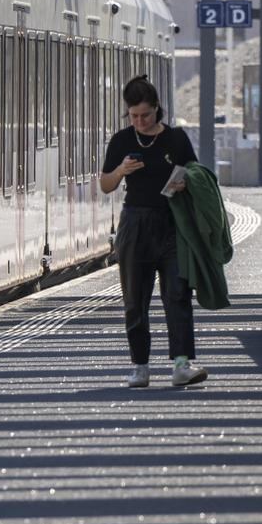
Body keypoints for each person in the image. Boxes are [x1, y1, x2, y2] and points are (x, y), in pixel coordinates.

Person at [100, 76, 208, 390]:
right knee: (135, 299)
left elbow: (196, 173)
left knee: (178, 294)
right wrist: (120, 171)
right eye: (133, 116)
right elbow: (106, 185)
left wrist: (185, 181)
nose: (140, 122)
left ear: (157, 109)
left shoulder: (176, 139)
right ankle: (140, 366)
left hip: (172, 223)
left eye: (145, 115)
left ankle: (181, 364)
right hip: (134, 223)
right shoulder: (121, 141)